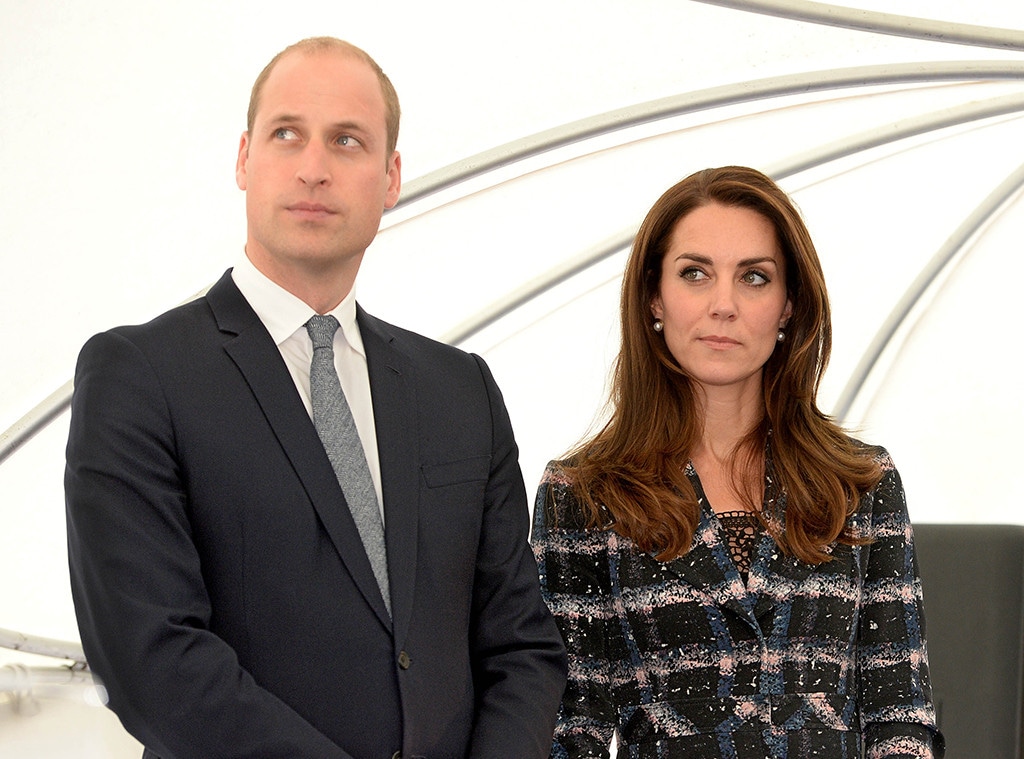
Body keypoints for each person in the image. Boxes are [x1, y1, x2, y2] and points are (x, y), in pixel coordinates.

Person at [65, 36, 566, 759]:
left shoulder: (461, 390)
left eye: (347, 141)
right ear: (243, 159)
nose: (313, 167)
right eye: (287, 134)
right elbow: (150, 656)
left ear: (390, 177)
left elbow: (522, 646)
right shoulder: (139, 373)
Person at [532, 166, 944, 758]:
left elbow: (900, 716)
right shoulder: (582, 495)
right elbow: (573, 729)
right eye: (695, 274)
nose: (723, 305)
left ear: (787, 307)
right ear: (654, 295)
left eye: (754, 277)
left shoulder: (862, 484)